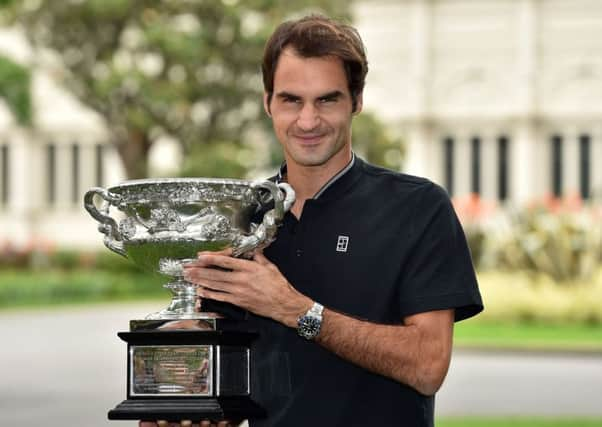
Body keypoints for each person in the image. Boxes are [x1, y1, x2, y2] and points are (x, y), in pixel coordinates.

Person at [143, 14, 483, 427]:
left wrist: (295, 309)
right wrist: (181, 390)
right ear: (267, 102)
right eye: (291, 100)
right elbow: (228, 366)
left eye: (327, 99)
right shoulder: (236, 217)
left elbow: (428, 366)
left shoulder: (418, 208)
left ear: (356, 101)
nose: (307, 121)